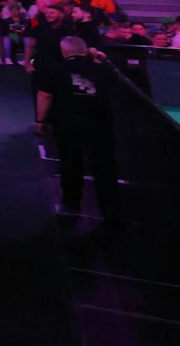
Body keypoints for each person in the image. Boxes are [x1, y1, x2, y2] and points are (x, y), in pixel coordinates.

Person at [35, 35, 120, 222]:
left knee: (70, 162)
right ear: (86, 50)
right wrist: (98, 58)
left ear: (64, 51)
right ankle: (109, 205)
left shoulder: (55, 69)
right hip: (99, 122)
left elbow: (44, 96)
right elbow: (115, 80)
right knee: (103, 165)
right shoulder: (101, 68)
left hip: (67, 122)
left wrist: (41, 121)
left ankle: (71, 201)